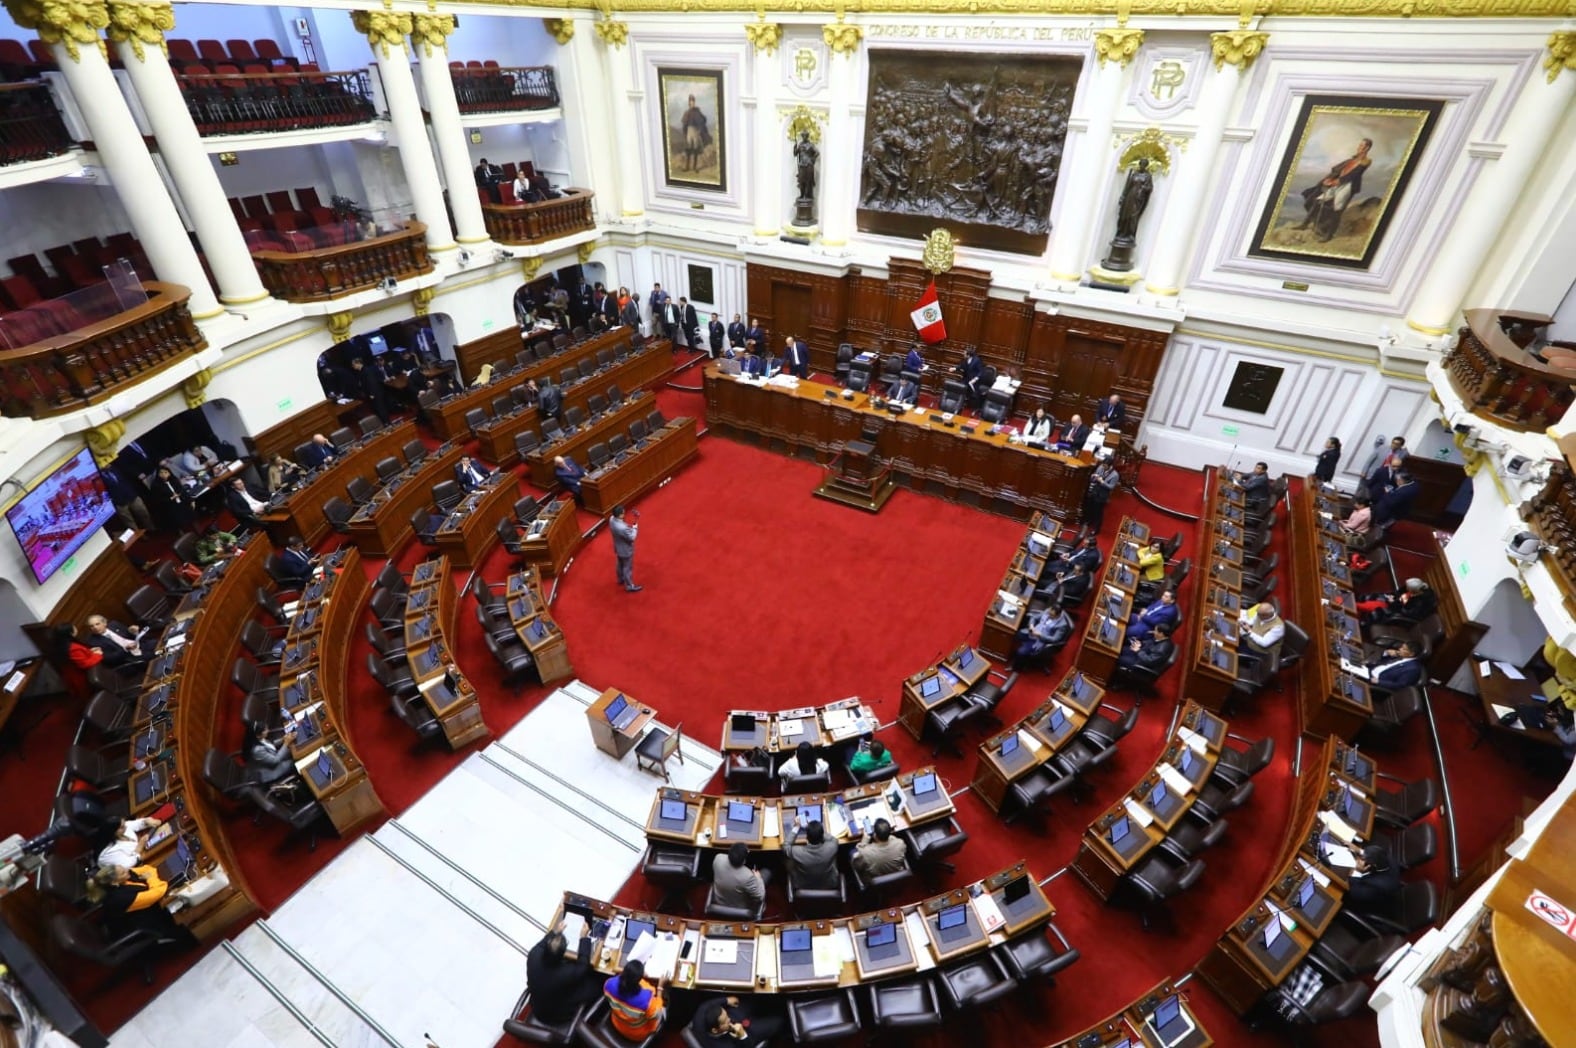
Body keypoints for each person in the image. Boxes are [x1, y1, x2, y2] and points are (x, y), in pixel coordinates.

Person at [1297, 137, 1372, 241]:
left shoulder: (1366, 161)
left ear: (1367, 148)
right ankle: (1304, 224)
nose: (1360, 147)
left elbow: (1354, 174)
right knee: (1317, 200)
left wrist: (1337, 181)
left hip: (1347, 186)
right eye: (1360, 145)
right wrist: (1329, 179)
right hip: (1336, 184)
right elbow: (1338, 171)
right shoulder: (1351, 160)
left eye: (1363, 146)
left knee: (1337, 209)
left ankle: (1328, 235)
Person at [526, 927, 603, 1024]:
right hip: (558, 1016)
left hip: (537, 1008)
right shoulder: (568, 972)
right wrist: (583, 938)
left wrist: (555, 931)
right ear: (562, 954)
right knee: (598, 983)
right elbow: (583, 965)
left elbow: (541, 944)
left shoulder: (533, 955)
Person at [85, 863, 179, 939]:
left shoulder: (125, 875)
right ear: (114, 882)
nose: (127, 870)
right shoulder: (120, 898)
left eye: (123, 868)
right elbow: (158, 892)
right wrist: (150, 879)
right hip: (146, 927)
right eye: (123, 873)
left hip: (151, 909)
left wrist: (151, 879)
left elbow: (149, 868)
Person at [603, 960, 666, 1041]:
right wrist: (660, 987)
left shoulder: (609, 984)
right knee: (664, 1006)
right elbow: (658, 1014)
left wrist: (633, 973)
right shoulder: (646, 1001)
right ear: (639, 979)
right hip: (636, 1033)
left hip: (617, 1023)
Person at [689, 995, 786, 1047]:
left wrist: (726, 1000)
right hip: (748, 1035)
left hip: (737, 1014)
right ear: (715, 1030)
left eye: (726, 1015)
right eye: (725, 1020)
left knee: (756, 996)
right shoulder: (723, 1046)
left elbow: (706, 1005)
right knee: (778, 1021)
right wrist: (743, 1035)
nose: (729, 1019)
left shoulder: (699, 1018)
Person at [1344, 842, 1402, 918]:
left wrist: (1357, 872)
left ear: (1370, 866)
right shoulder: (1389, 861)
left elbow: (1354, 893)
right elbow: (1378, 854)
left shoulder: (1375, 886)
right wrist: (1360, 851)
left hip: (1364, 907)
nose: (1359, 860)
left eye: (1363, 859)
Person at [783, 819, 839, 891]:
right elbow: (833, 839)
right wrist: (817, 830)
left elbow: (785, 846)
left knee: (785, 860)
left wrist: (796, 827)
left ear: (807, 837)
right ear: (822, 836)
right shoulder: (832, 847)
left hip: (803, 884)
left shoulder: (796, 852)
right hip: (828, 883)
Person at [1012, 605, 1073, 669]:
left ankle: (1016, 668)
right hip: (1033, 632)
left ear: (1057, 616)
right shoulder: (1048, 611)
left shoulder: (1062, 625)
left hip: (1040, 640)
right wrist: (1031, 625)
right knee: (1014, 634)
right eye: (1049, 613)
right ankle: (1011, 655)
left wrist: (1040, 635)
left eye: (1051, 615)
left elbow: (1055, 639)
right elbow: (1034, 617)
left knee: (1021, 652)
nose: (1049, 616)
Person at [712, 842, 768, 911]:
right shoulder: (748, 876)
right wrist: (758, 878)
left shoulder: (718, 858)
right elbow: (760, 896)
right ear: (744, 861)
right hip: (740, 908)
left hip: (720, 901)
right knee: (767, 871)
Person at [84, 614, 153, 667]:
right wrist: (125, 649)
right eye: (91, 626)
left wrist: (134, 632)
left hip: (139, 645)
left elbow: (129, 635)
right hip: (128, 657)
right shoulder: (93, 642)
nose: (95, 627)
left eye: (97, 624)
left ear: (104, 623)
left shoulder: (114, 624)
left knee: (158, 643)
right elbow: (109, 659)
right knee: (153, 655)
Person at [1357, 578, 1435, 624]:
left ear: (1414, 591)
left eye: (1408, 590)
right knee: (1375, 596)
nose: (1406, 589)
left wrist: (1401, 603)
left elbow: (1409, 613)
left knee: (1378, 610)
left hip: (1399, 612)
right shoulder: (1410, 587)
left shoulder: (1421, 601)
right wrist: (1393, 597)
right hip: (1393, 603)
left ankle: (1363, 621)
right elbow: (1398, 593)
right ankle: (1357, 607)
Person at [97, 816, 163, 870]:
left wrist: (146, 821)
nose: (125, 826)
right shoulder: (107, 853)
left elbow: (137, 824)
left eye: (124, 824)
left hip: (144, 852)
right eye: (122, 827)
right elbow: (127, 866)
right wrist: (139, 847)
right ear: (113, 832)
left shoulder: (122, 828)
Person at [1359, 640, 1424, 691]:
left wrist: (1379, 682)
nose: (1400, 649)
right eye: (1401, 647)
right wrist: (1386, 653)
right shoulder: (1401, 655)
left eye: (1404, 649)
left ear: (1411, 654)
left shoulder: (1412, 669)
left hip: (1374, 680)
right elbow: (1383, 663)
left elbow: (1399, 685)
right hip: (1369, 669)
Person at [605, 504, 642, 592]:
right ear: (620, 515)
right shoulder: (622, 528)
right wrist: (635, 528)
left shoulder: (611, 519)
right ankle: (629, 586)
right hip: (625, 550)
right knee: (627, 567)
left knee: (619, 564)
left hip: (618, 548)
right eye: (623, 513)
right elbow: (632, 537)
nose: (624, 514)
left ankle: (620, 579)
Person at [147, 464, 194, 531]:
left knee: (190, 512)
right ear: (158, 474)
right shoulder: (155, 485)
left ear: (169, 473)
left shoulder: (174, 480)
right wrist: (171, 498)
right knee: (178, 518)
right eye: (161, 473)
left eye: (165, 472)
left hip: (182, 502)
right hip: (170, 506)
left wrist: (191, 500)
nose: (163, 474)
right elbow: (157, 500)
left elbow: (182, 491)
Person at [1082, 459, 1121, 532]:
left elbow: (1111, 487)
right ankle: (1088, 522)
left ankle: (1096, 528)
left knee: (1098, 512)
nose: (1103, 467)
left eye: (1105, 466)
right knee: (1090, 507)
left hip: (1102, 495)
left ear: (1110, 466)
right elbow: (1093, 479)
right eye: (1103, 465)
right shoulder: (1100, 467)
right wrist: (1093, 476)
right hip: (1094, 491)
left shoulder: (1115, 475)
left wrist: (1102, 482)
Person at [680, 94, 711, 172]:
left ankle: (695, 167)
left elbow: (703, 119)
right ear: (689, 103)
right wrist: (685, 131)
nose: (692, 103)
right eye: (691, 102)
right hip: (689, 132)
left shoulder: (697, 112)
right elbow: (684, 122)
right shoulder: (687, 112)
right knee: (688, 149)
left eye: (693, 102)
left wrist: (699, 129)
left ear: (694, 102)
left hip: (695, 132)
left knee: (696, 149)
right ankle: (687, 167)